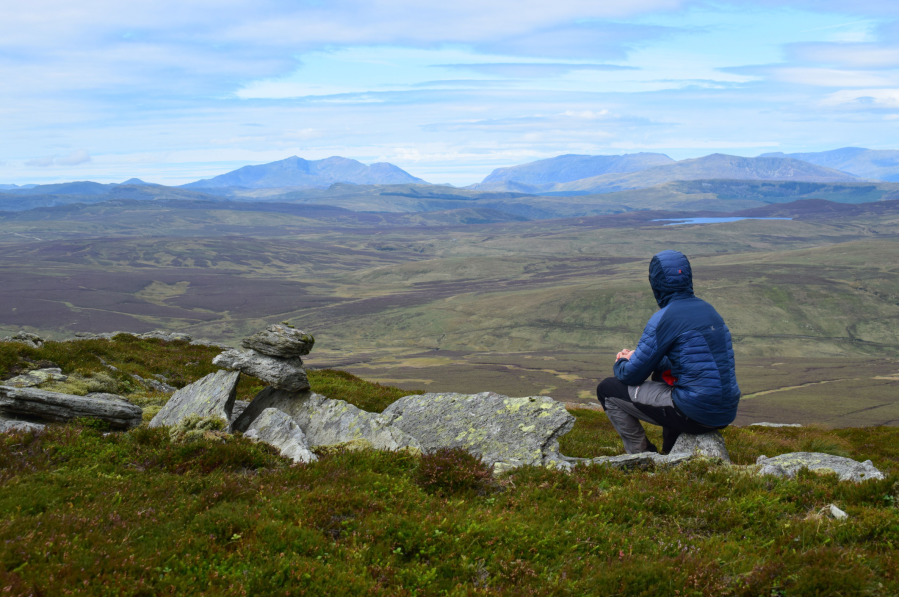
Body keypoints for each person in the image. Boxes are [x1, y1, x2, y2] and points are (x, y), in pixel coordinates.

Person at [596, 250, 740, 454]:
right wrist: (645, 357)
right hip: (725, 411)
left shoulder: (665, 317)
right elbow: (690, 362)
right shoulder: (709, 310)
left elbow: (632, 374)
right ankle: (671, 451)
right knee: (663, 377)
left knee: (607, 390)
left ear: (656, 282)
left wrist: (623, 361)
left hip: (696, 411)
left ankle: (642, 457)